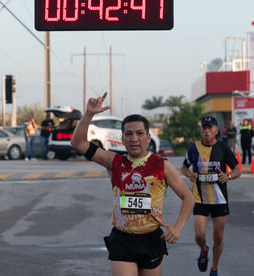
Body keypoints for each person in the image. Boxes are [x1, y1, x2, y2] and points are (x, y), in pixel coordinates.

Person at [71, 92, 194, 276]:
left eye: (139, 133)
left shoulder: (162, 165)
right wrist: (88, 114)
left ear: (148, 138)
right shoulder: (114, 161)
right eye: (128, 134)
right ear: (122, 139)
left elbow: (188, 198)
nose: (134, 138)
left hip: (152, 239)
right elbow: (78, 143)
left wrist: (178, 227)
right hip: (123, 240)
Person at [181, 116, 241, 276]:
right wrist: (190, 175)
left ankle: (214, 268)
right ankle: (203, 249)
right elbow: (184, 168)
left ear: (216, 130)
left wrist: (228, 176)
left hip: (219, 199)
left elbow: (237, 170)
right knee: (199, 235)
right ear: (201, 130)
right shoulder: (194, 148)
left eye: (209, 128)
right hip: (199, 198)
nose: (206, 131)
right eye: (204, 128)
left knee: (218, 236)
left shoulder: (222, 148)